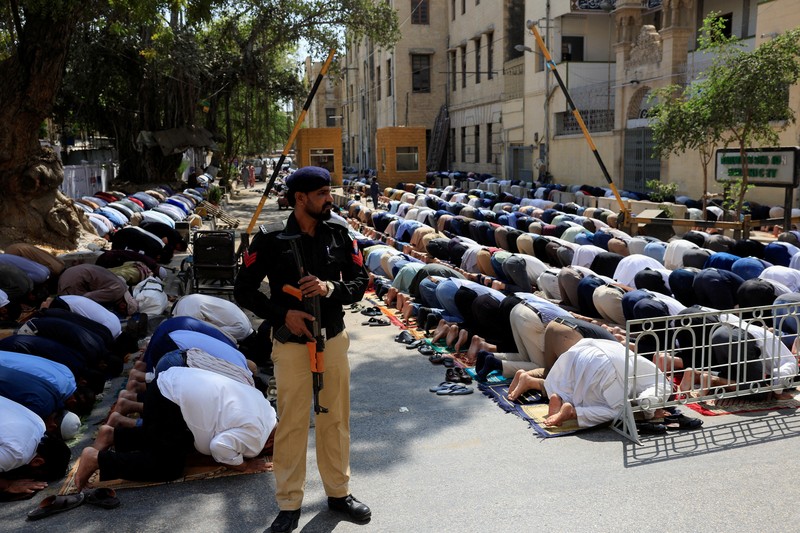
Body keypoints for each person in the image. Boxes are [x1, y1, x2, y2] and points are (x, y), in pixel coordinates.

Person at [234, 166, 371, 532]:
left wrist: (329, 289)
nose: (330, 199)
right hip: (292, 343)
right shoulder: (271, 239)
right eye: (323, 193)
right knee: (292, 422)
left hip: (334, 338)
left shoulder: (340, 234)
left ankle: (339, 494)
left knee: (335, 419)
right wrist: (284, 314)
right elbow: (243, 289)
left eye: (329, 192)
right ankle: (289, 504)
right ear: (300, 198)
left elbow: (360, 283)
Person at [73, 366, 276, 491]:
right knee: (167, 467)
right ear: (271, 442)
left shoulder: (267, 410)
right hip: (168, 400)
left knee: (171, 440)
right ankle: (97, 459)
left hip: (170, 385)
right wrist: (245, 466)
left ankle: (114, 436)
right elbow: (220, 447)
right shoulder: (257, 435)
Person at [0, 396, 71, 500]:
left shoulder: (40, 423)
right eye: (35, 475)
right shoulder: (17, 454)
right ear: (38, 462)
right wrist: (7, 485)